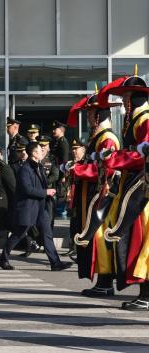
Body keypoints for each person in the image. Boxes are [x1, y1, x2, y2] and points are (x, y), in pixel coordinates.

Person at [97, 69, 149, 310]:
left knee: (143, 240)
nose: (125, 103)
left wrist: (113, 158)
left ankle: (146, 294)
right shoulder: (138, 119)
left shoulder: (145, 119)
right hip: (134, 184)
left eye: (128, 98)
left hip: (142, 187)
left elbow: (141, 154)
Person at [68, 91, 121, 297]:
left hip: (102, 195)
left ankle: (106, 282)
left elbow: (105, 169)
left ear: (99, 115)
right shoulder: (98, 137)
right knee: (95, 238)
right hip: (93, 194)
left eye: (90, 114)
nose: (88, 117)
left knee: (100, 237)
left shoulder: (107, 138)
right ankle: (103, 280)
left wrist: (77, 170)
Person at [0, 142, 72, 271]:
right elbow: (27, 189)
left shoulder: (39, 167)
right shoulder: (25, 169)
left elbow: (43, 184)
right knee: (18, 234)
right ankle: (3, 258)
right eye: (40, 150)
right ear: (34, 153)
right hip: (28, 208)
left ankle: (55, 263)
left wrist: (54, 189)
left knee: (47, 234)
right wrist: (45, 192)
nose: (43, 152)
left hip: (40, 207)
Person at [62, 137, 90, 258]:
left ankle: (80, 250)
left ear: (83, 149)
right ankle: (73, 247)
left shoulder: (86, 163)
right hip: (73, 198)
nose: (74, 151)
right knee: (73, 224)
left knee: (81, 224)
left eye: (76, 149)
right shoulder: (72, 163)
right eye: (73, 149)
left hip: (83, 198)